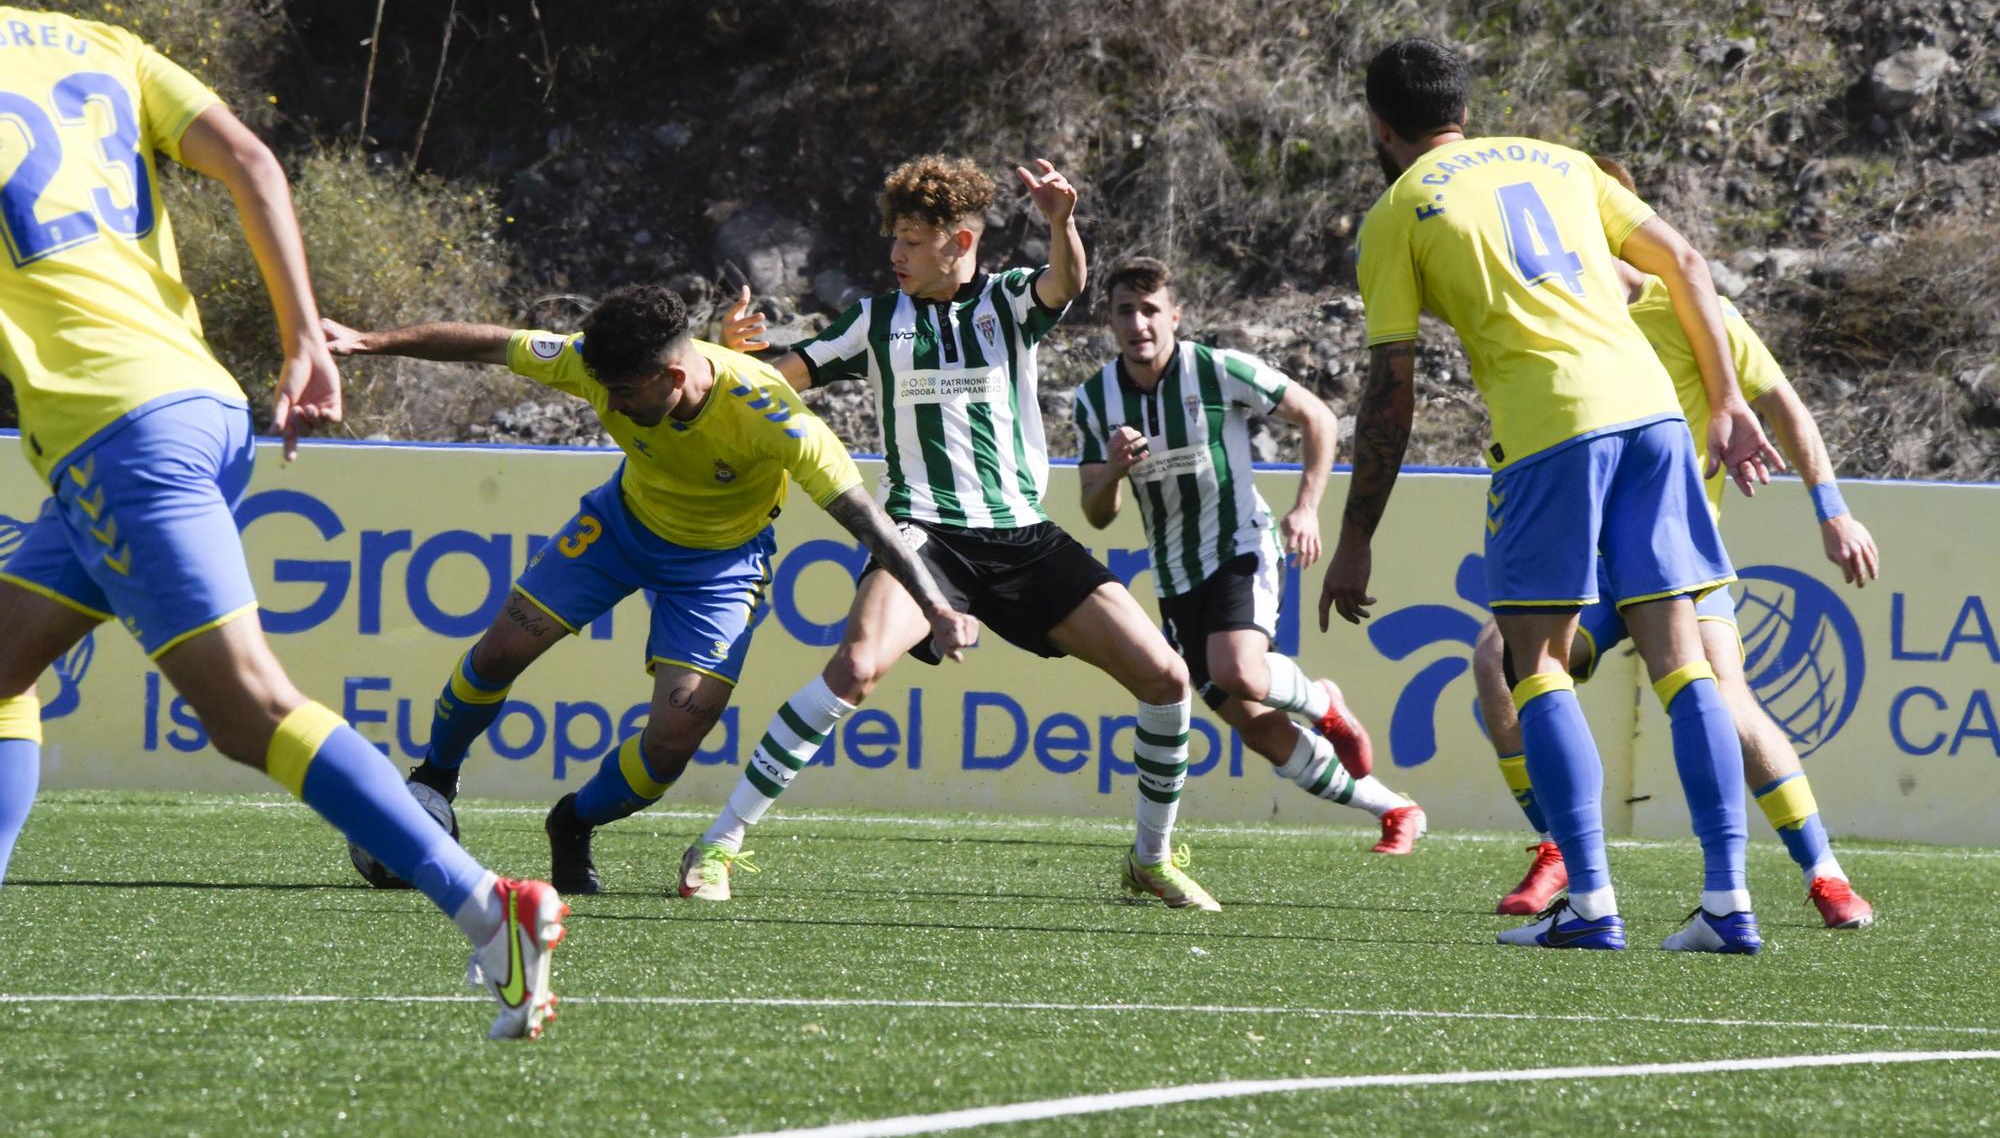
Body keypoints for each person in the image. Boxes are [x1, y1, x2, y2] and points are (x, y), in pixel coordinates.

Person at [0, 7, 564, 1039]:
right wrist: (304, 333)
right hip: (196, 403)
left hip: (111, 428)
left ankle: (489, 905)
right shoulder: (94, 42)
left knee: (246, 706)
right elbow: (253, 157)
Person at [1322, 38, 1784, 954]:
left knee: (1532, 661)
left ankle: (1594, 904)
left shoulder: (1398, 211)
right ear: (1465, 104)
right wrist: (1726, 405)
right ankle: (1728, 902)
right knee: (1682, 659)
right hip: (1655, 416)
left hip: (1551, 430)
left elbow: (1390, 392)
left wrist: (1358, 534)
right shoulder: (1561, 161)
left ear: (1378, 126)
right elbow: (1688, 263)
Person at [321, 285, 978, 895]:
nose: (607, 405)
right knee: (498, 651)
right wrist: (369, 341)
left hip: (719, 569)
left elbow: (865, 516)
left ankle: (573, 821)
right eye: (601, 389)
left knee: (670, 743)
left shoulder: (773, 414)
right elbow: (490, 343)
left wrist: (936, 605)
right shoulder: (596, 365)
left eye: (623, 393)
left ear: (671, 377)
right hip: (618, 529)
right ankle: (434, 776)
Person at [697, 155, 1220, 909]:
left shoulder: (1008, 302)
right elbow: (777, 381)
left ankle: (1149, 858)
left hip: (1021, 536)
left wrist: (1062, 223)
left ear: (961, 241)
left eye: (912, 240)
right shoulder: (878, 321)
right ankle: (717, 843)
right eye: (895, 239)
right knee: (856, 667)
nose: (895, 255)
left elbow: (1066, 284)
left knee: (1168, 678)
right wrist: (728, 352)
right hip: (921, 534)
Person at [1472, 158, 1879, 929]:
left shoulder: (1689, 306)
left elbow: (1783, 405)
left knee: (1727, 699)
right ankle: (1559, 846)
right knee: (1499, 662)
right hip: (1591, 567)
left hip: (1674, 555)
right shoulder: (1551, 316)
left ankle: (1824, 871)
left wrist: (1833, 510)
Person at [1071, 256, 1422, 851]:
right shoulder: (1095, 400)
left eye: (1150, 309)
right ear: (1109, 320)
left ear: (1174, 316)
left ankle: (1323, 703)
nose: (1139, 323)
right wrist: (1113, 471)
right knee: (1256, 727)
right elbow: (1096, 512)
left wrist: (1306, 507)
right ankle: (1394, 808)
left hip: (1241, 545)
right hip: (1175, 577)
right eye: (1125, 311)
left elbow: (1317, 416)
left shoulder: (1215, 370)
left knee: (1238, 670)